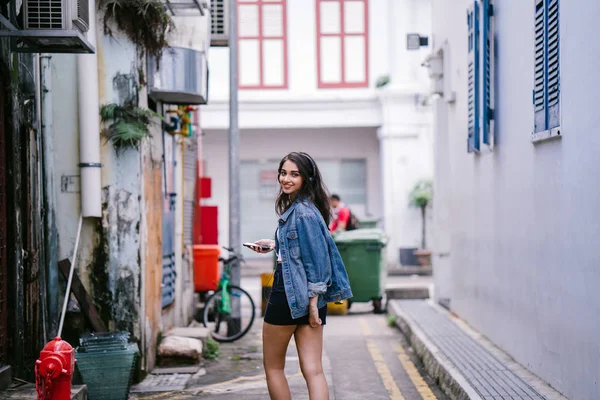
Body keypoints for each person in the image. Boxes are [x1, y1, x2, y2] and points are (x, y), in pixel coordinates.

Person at [247, 152, 353, 400]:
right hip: (311, 295)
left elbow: (318, 260)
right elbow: (304, 249)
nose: (286, 179)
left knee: (274, 368)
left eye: (294, 174)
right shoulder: (308, 209)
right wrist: (275, 244)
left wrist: (314, 302)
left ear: (307, 178)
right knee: (313, 370)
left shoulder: (302, 212)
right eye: (283, 173)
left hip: (291, 293)